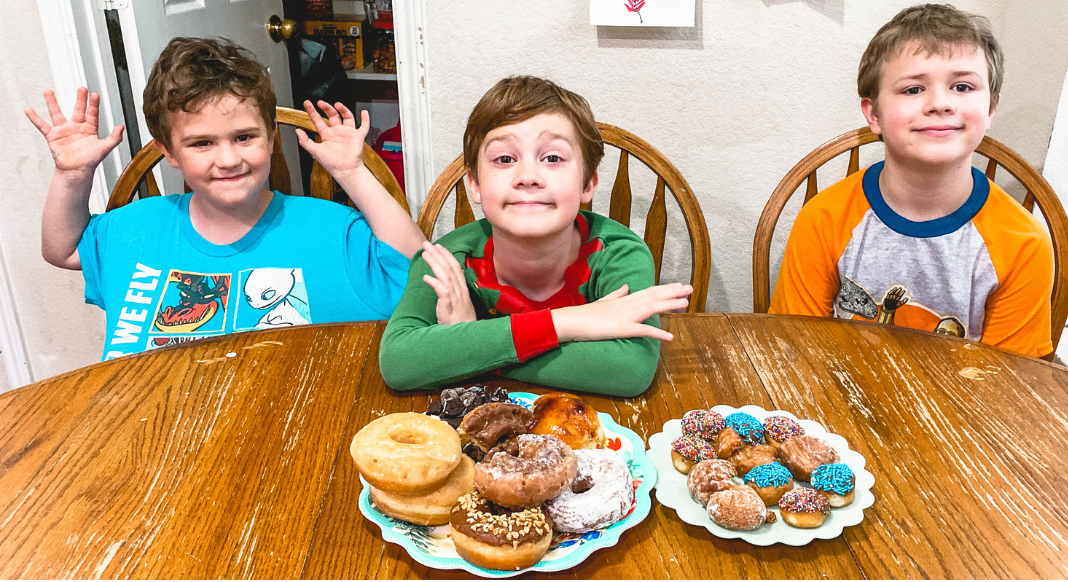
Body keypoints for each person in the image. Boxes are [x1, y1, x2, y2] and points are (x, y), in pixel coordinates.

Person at [25, 37, 425, 360]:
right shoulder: (136, 227)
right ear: (169, 152)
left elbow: (416, 269)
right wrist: (72, 176)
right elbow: (61, 250)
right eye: (201, 143)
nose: (229, 159)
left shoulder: (329, 229)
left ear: (271, 136)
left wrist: (352, 173)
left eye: (244, 137)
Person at [770, 4, 1054, 358]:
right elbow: (794, 348)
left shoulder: (1024, 245)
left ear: (991, 109)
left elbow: (1009, 384)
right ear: (874, 113)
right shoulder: (823, 219)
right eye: (913, 90)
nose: (939, 103)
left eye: (962, 86)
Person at [379, 76, 692, 396]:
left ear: (588, 184)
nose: (528, 177)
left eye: (553, 158)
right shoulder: (446, 261)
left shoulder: (620, 255)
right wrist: (569, 322)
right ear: (474, 184)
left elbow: (630, 369)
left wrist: (471, 342)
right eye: (505, 159)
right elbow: (398, 361)